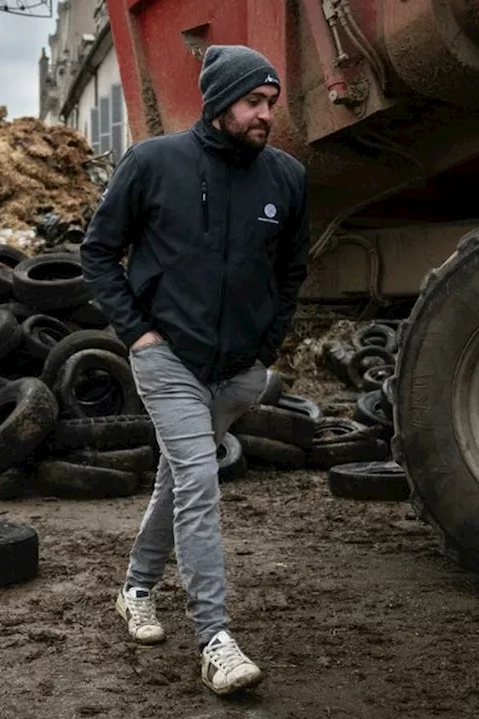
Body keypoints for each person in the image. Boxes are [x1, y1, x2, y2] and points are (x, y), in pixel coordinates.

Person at [79, 44, 310, 696]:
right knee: (201, 483)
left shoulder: (287, 177)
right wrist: (140, 333)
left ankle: (135, 587)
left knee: (180, 481)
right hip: (169, 358)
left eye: (271, 102)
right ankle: (216, 639)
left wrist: (268, 344)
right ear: (218, 103)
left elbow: (292, 271)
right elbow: (98, 251)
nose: (266, 113)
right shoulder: (153, 162)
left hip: (239, 369)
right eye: (253, 102)